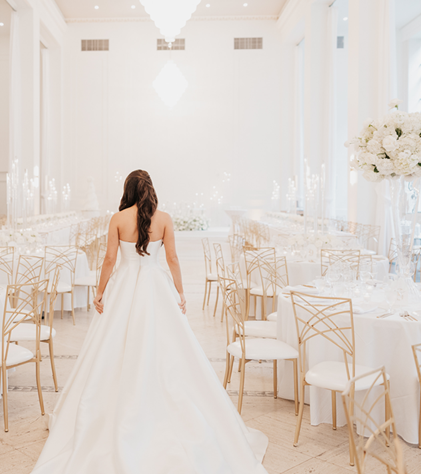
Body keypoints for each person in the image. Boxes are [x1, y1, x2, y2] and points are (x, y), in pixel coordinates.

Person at [30, 170, 268, 474]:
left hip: (124, 289)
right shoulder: (165, 218)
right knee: (170, 349)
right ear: (151, 189)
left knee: (111, 349)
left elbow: (108, 260)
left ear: (127, 190)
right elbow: (172, 259)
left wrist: (100, 291)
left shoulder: (117, 219)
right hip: (157, 288)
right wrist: (180, 291)